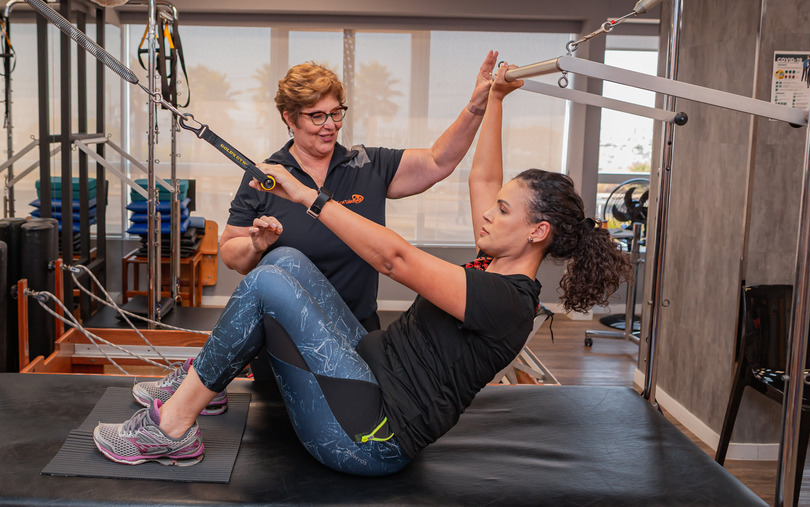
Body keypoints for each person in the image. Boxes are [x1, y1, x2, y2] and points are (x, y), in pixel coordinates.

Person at [94, 50, 630, 474]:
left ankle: (171, 428)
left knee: (269, 284)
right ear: (290, 119)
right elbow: (482, 177)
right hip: (364, 373)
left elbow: (395, 258)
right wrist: (491, 101)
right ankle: (195, 386)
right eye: (316, 116)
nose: (489, 212)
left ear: (538, 232)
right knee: (284, 261)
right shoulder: (494, 260)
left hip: (371, 437)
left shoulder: (504, 300)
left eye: (503, 210)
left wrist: (307, 197)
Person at [220, 60, 496, 332]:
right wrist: (255, 246)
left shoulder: (367, 165)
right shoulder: (268, 177)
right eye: (317, 116)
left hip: (357, 330)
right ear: (289, 118)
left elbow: (438, 161)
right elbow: (231, 252)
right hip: (287, 333)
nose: (330, 125)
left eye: (336, 113)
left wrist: (476, 105)